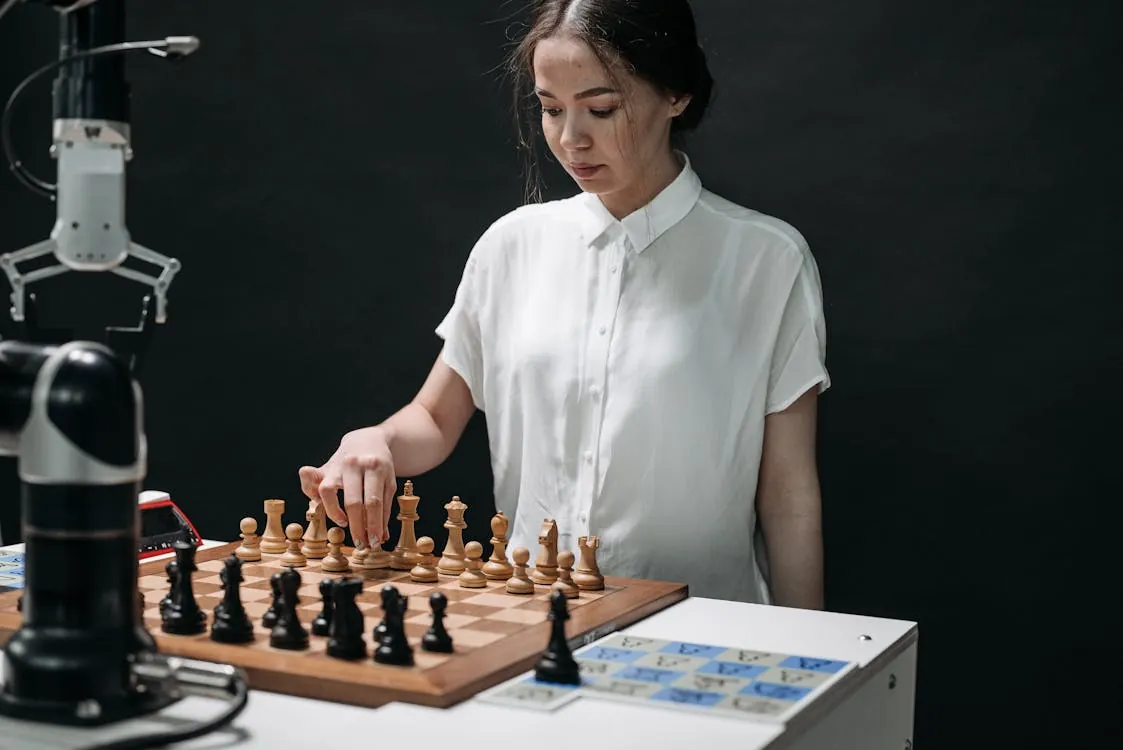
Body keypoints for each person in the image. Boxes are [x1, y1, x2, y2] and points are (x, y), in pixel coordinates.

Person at [299, 0, 829, 608]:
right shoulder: (513, 245)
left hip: (703, 622)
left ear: (676, 93)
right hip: (528, 613)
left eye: (601, 109)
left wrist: (810, 655)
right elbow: (437, 419)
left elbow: (788, 494)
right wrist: (378, 441)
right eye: (551, 109)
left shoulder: (766, 258)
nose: (571, 139)